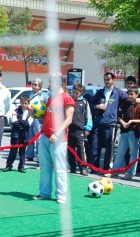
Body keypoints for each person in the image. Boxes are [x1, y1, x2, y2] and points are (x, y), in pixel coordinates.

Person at [33, 73, 75, 204]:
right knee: (44, 167)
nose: (50, 84)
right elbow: (48, 116)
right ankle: (44, 193)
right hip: (45, 137)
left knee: (60, 168)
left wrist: (56, 134)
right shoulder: (51, 97)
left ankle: (61, 194)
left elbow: (68, 119)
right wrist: (35, 116)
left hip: (58, 139)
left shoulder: (67, 98)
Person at [90, 73, 127, 171]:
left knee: (109, 147)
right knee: (95, 145)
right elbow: (92, 104)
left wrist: (119, 113)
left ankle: (106, 168)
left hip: (110, 123)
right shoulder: (100, 92)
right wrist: (97, 106)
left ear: (113, 80)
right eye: (105, 79)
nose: (106, 81)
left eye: (108, 79)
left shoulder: (118, 92)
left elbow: (128, 100)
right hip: (98, 123)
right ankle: (94, 167)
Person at [110, 87, 140, 179]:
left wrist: (131, 121)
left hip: (134, 132)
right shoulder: (125, 104)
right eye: (128, 94)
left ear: (137, 95)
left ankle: (130, 173)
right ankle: (114, 171)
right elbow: (118, 116)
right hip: (124, 131)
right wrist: (123, 123)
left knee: (133, 153)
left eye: (132, 94)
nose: (129, 96)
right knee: (120, 152)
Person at [67, 84, 92, 176]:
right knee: (70, 149)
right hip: (70, 129)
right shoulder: (69, 101)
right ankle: (72, 167)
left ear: (81, 93)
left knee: (81, 149)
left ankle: (83, 168)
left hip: (80, 129)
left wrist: (88, 128)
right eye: (73, 92)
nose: (74, 94)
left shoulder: (84, 102)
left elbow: (88, 116)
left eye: (76, 93)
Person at [4, 95, 32, 173]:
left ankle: (21, 166)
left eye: (25, 103)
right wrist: (23, 123)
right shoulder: (15, 111)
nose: (24, 105)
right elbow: (14, 122)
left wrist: (19, 121)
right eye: (22, 103)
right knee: (13, 150)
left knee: (22, 151)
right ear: (20, 103)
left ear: (28, 103)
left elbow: (29, 123)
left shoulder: (30, 112)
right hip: (15, 135)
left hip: (25, 135)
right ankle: (9, 165)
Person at [25, 78, 48, 162]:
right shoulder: (29, 94)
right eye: (33, 84)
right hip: (30, 118)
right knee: (30, 137)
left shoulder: (44, 95)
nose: (33, 86)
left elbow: (47, 106)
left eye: (35, 84)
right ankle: (29, 155)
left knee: (38, 138)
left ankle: (39, 156)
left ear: (40, 86)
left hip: (38, 119)